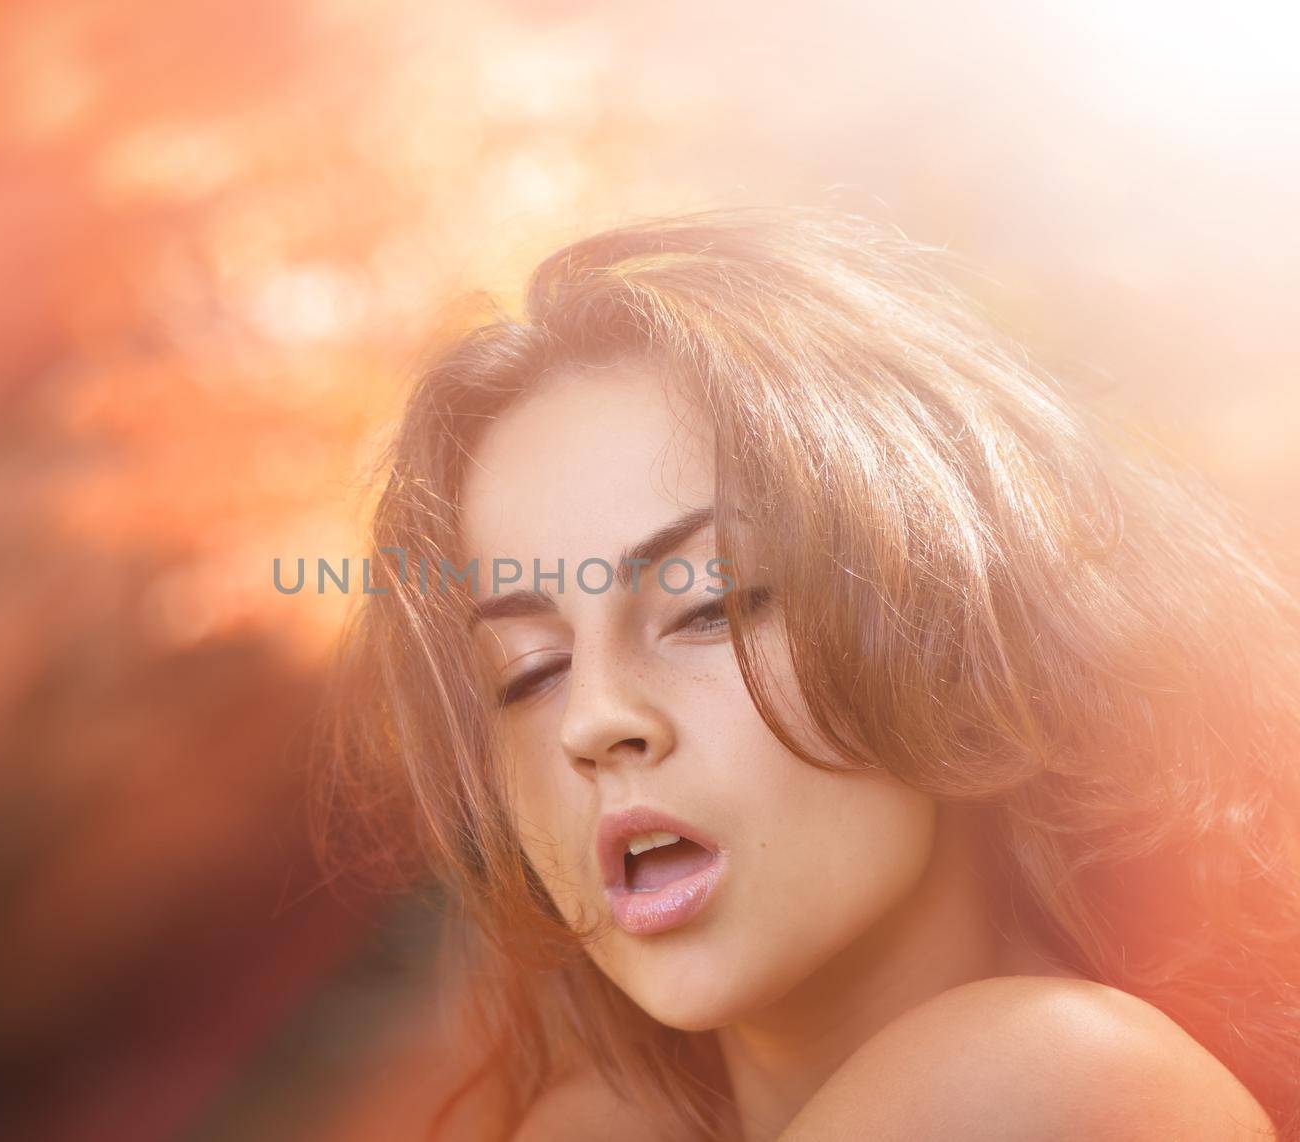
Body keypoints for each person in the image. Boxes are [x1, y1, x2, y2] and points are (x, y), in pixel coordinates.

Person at [314, 208, 1297, 1139]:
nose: (596, 718)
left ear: (947, 619)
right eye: (528, 673)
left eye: (710, 604)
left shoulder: (1055, 1077)